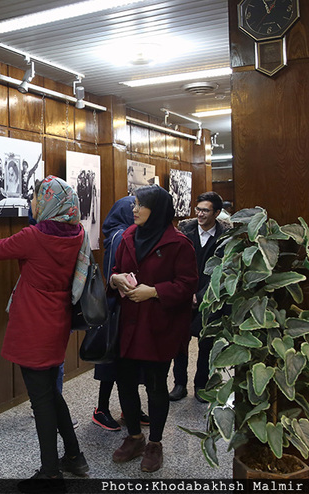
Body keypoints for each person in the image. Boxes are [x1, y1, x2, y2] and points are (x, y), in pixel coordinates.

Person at [0, 175, 89, 492]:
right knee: (51, 394)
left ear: (48, 204)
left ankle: (50, 474)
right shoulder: (77, 233)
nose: (32, 204)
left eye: (36, 199)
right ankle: (74, 456)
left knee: (41, 401)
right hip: (57, 322)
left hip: (33, 325)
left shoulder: (35, 236)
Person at [108, 185, 197, 473]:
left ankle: (155, 443)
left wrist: (154, 291)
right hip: (129, 325)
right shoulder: (128, 236)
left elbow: (187, 285)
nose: (134, 209)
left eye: (140, 205)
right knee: (125, 382)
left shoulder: (179, 243)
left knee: (157, 387)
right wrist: (116, 280)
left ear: (156, 210)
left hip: (159, 327)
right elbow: (115, 270)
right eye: (133, 203)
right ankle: (134, 437)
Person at [92, 196, 150, 431]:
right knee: (112, 361)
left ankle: (129, 407)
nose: (137, 211)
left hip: (128, 307)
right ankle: (101, 409)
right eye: (134, 208)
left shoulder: (126, 233)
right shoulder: (121, 237)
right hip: (117, 308)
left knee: (128, 361)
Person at [169, 192, 229, 402]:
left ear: (217, 213)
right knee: (180, 342)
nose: (200, 214)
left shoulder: (225, 236)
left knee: (206, 343)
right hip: (183, 294)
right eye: (198, 210)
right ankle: (179, 384)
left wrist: (201, 296)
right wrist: (185, 292)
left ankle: (201, 385)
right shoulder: (185, 229)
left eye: (205, 210)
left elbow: (223, 270)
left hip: (210, 297)